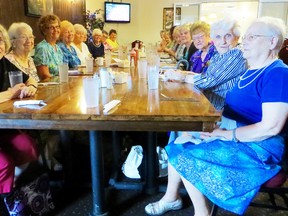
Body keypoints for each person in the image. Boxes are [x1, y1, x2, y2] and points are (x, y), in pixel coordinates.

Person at [145, 16, 288, 216]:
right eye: (244, 36)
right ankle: (183, 203)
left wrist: (225, 134)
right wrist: (214, 129)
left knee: (185, 153)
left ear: (272, 42)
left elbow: (271, 127)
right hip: (236, 131)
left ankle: (200, 211)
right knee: (180, 141)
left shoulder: (278, 73)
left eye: (252, 37)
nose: (243, 41)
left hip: (260, 147)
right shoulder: (250, 71)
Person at [0, 24, 38, 195]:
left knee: (27, 146)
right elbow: (10, 93)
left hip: (4, 127)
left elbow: (31, 79)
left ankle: (11, 192)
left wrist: (30, 87)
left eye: (0, 40)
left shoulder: (4, 63)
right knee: (4, 163)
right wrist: (9, 93)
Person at [192, 18, 247, 110]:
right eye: (218, 37)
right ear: (213, 39)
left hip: (225, 112)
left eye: (228, 36)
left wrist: (183, 77)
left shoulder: (236, 54)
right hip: (211, 105)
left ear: (237, 38)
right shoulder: (218, 55)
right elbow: (206, 77)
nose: (223, 41)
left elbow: (209, 80)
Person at [34, 14, 64, 80]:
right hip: (50, 86)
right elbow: (44, 76)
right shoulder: (42, 48)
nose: (56, 30)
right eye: (51, 27)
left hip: (60, 83)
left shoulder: (58, 48)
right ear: (44, 31)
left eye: (57, 27)